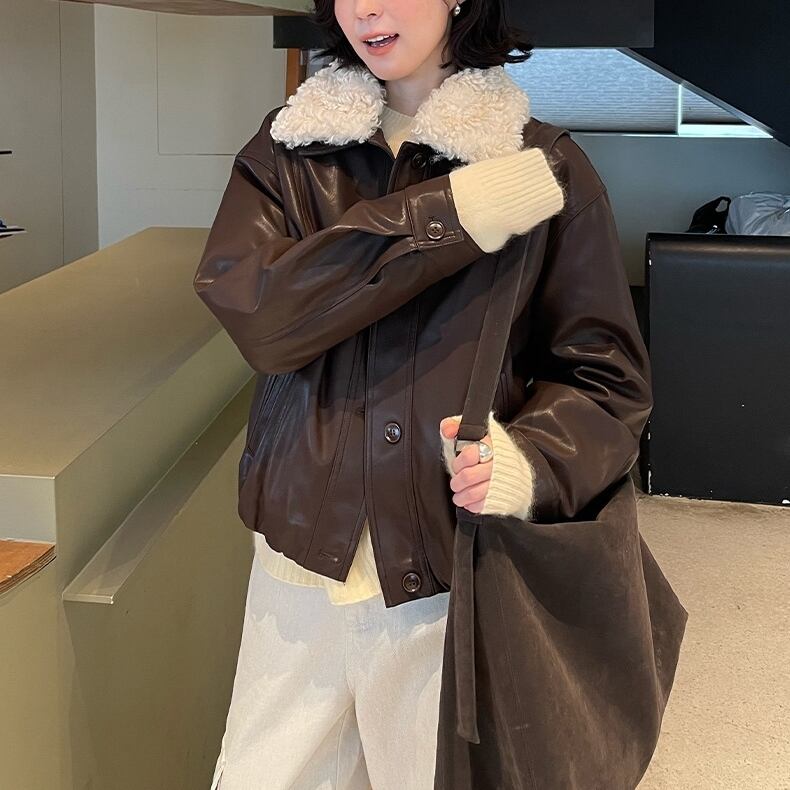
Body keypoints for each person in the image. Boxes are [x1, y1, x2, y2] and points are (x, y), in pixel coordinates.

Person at [192, 0, 653, 787]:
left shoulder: (543, 167)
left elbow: (606, 377)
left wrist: (531, 460)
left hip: (449, 568)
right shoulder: (289, 149)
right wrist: (449, 217)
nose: (366, 8)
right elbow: (261, 319)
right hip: (299, 559)